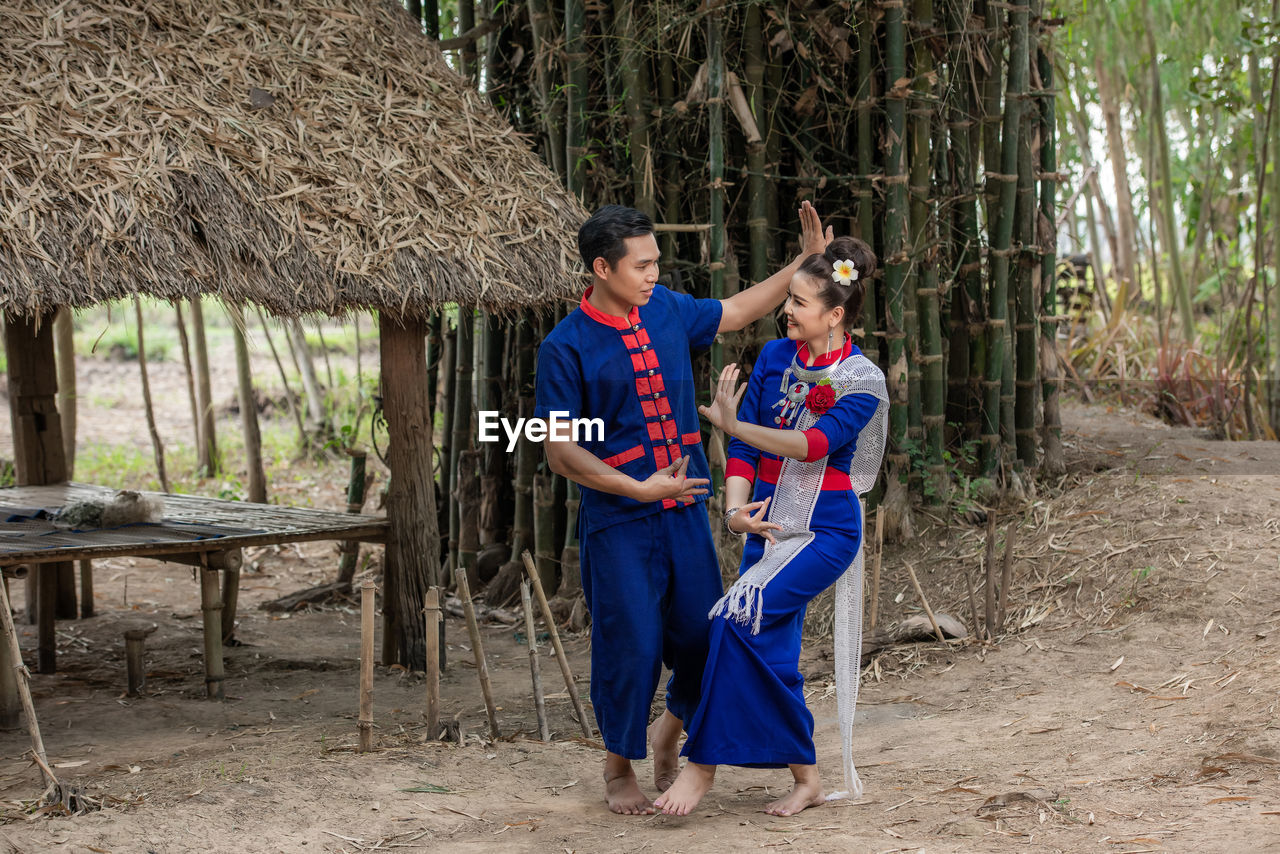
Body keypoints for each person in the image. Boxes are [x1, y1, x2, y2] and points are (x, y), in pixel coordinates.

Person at [534, 202, 831, 815]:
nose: (652, 274)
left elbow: (740, 309)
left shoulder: (667, 308)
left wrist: (801, 265)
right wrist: (639, 488)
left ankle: (668, 735)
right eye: (641, 265)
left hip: (686, 510)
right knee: (632, 644)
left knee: (704, 635)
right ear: (601, 268)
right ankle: (620, 769)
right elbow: (560, 451)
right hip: (619, 519)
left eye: (656, 263)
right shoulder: (564, 347)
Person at [654, 236, 889, 817]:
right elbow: (745, 457)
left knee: (735, 621)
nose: (787, 310)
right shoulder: (775, 360)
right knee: (769, 648)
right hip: (768, 525)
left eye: (801, 302)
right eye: (788, 298)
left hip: (826, 531)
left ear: (835, 315)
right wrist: (735, 512)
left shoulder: (863, 379)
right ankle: (806, 778)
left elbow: (812, 445)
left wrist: (737, 426)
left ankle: (697, 764)